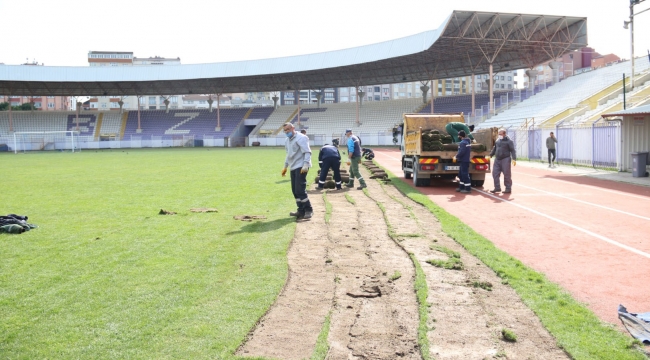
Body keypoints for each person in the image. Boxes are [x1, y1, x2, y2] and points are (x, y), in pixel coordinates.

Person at [281, 122, 313, 220]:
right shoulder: (287, 140)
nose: (287, 132)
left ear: (293, 128)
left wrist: (306, 164)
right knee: (295, 190)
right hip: (293, 166)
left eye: (288, 129)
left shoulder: (301, 138)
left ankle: (308, 210)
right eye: (285, 130)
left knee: (300, 189)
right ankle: (300, 210)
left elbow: (307, 152)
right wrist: (285, 166)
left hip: (301, 166)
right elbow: (288, 154)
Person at [487, 128, 516, 194]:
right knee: (495, 174)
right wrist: (490, 155)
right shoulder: (498, 140)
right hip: (497, 159)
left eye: (500, 134)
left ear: (504, 134)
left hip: (505, 159)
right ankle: (497, 187)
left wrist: (514, 159)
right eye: (498, 134)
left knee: (506, 174)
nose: (499, 135)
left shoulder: (509, 141)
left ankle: (508, 188)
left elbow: (512, 150)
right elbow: (494, 149)